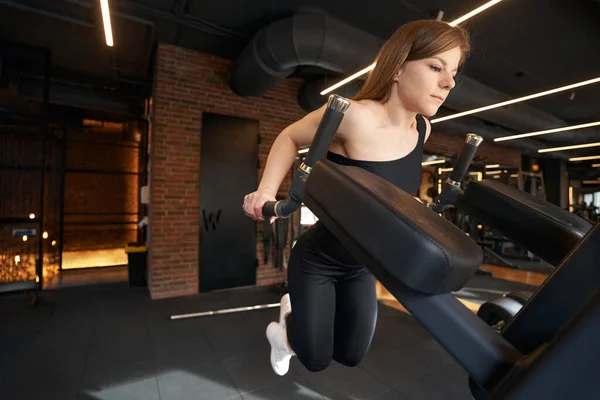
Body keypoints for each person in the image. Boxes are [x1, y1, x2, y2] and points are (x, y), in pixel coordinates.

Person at [242, 19, 471, 376]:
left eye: (453, 72)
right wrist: (267, 192)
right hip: (319, 260)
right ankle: (284, 329)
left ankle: (299, 323)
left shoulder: (423, 130)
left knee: (350, 355)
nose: (449, 82)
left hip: (364, 265)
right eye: (435, 67)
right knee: (315, 360)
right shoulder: (355, 116)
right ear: (397, 67)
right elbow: (289, 136)